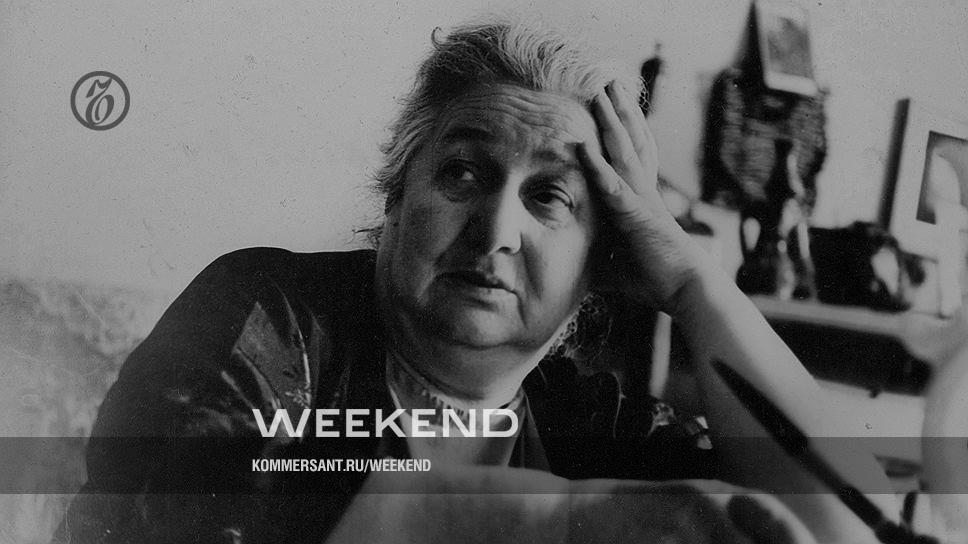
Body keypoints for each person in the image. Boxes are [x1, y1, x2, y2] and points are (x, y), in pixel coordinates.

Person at [58, 17, 897, 544]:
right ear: (397, 200)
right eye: (462, 173)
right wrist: (566, 522)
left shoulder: (585, 422)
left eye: (549, 197)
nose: (496, 231)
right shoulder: (270, 312)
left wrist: (692, 282)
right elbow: (192, 508)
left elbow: (842, 527)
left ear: (599, 261)